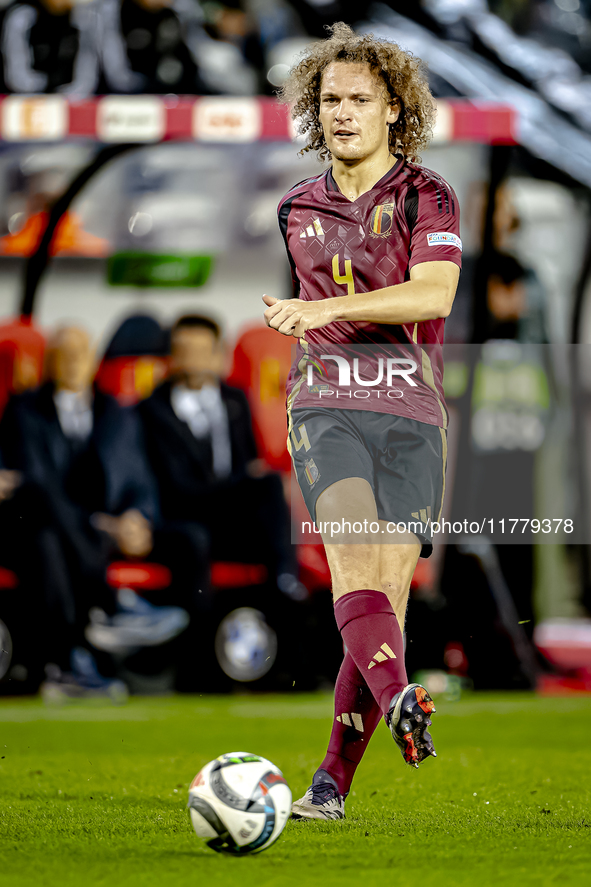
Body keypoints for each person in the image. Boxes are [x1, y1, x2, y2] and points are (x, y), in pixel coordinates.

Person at [263, 23, 462, 819]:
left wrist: (325, 307)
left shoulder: (426, 194)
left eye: (358, 100)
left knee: (383, 596)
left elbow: (432, 295)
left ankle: (330, 781)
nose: (341, 112)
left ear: (392, 110)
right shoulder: (295, 206)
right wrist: (318, 326)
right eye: (329, 99)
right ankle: (396, 700)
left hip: (411, 408)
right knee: (351, 561)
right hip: (326, 403)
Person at [0, 326, 189, 699]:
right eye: (63, 353)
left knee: (50, 544)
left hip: (82, 534)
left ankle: (67, 664)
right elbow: (35, 481)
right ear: (49, 362)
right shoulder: (25, 409)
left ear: (93, 362)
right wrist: (96, 523)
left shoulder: (115, 412)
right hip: (29, 526)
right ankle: (109, 606)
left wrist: (138, 516)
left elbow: (138, 477)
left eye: (80, 352)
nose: (72, 361)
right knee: (39, 509)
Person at [139, 314, 304, 600]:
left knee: (272, 492)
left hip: (230, 513)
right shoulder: (152, 408)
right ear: (171, 356)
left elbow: (249, 458)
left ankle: (285, 587)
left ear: (218, 355)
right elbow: (173, 482)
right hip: (185, 509)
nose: (193, 359)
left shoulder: (235, 399)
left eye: (202, 351)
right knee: (265, 487)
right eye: (184, 350)